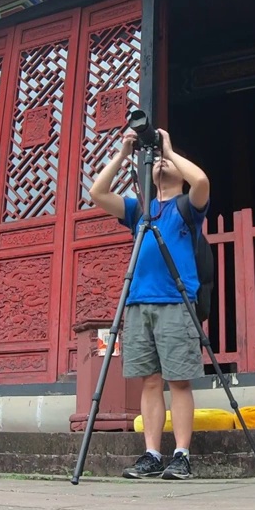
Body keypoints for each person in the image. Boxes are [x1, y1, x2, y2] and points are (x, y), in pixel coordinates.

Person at [91, 126, 209, 480]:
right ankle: (152, 453)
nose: (159, 162)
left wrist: (169, 150)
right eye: (155, 159)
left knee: (180, 382)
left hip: (176, 302)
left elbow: (202, 180)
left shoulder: (188, 206)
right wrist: (124, 154)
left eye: (164, 161)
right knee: (150, 383)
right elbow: (97, 193)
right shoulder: (140, 209)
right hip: (138, 303)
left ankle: (182, 455)